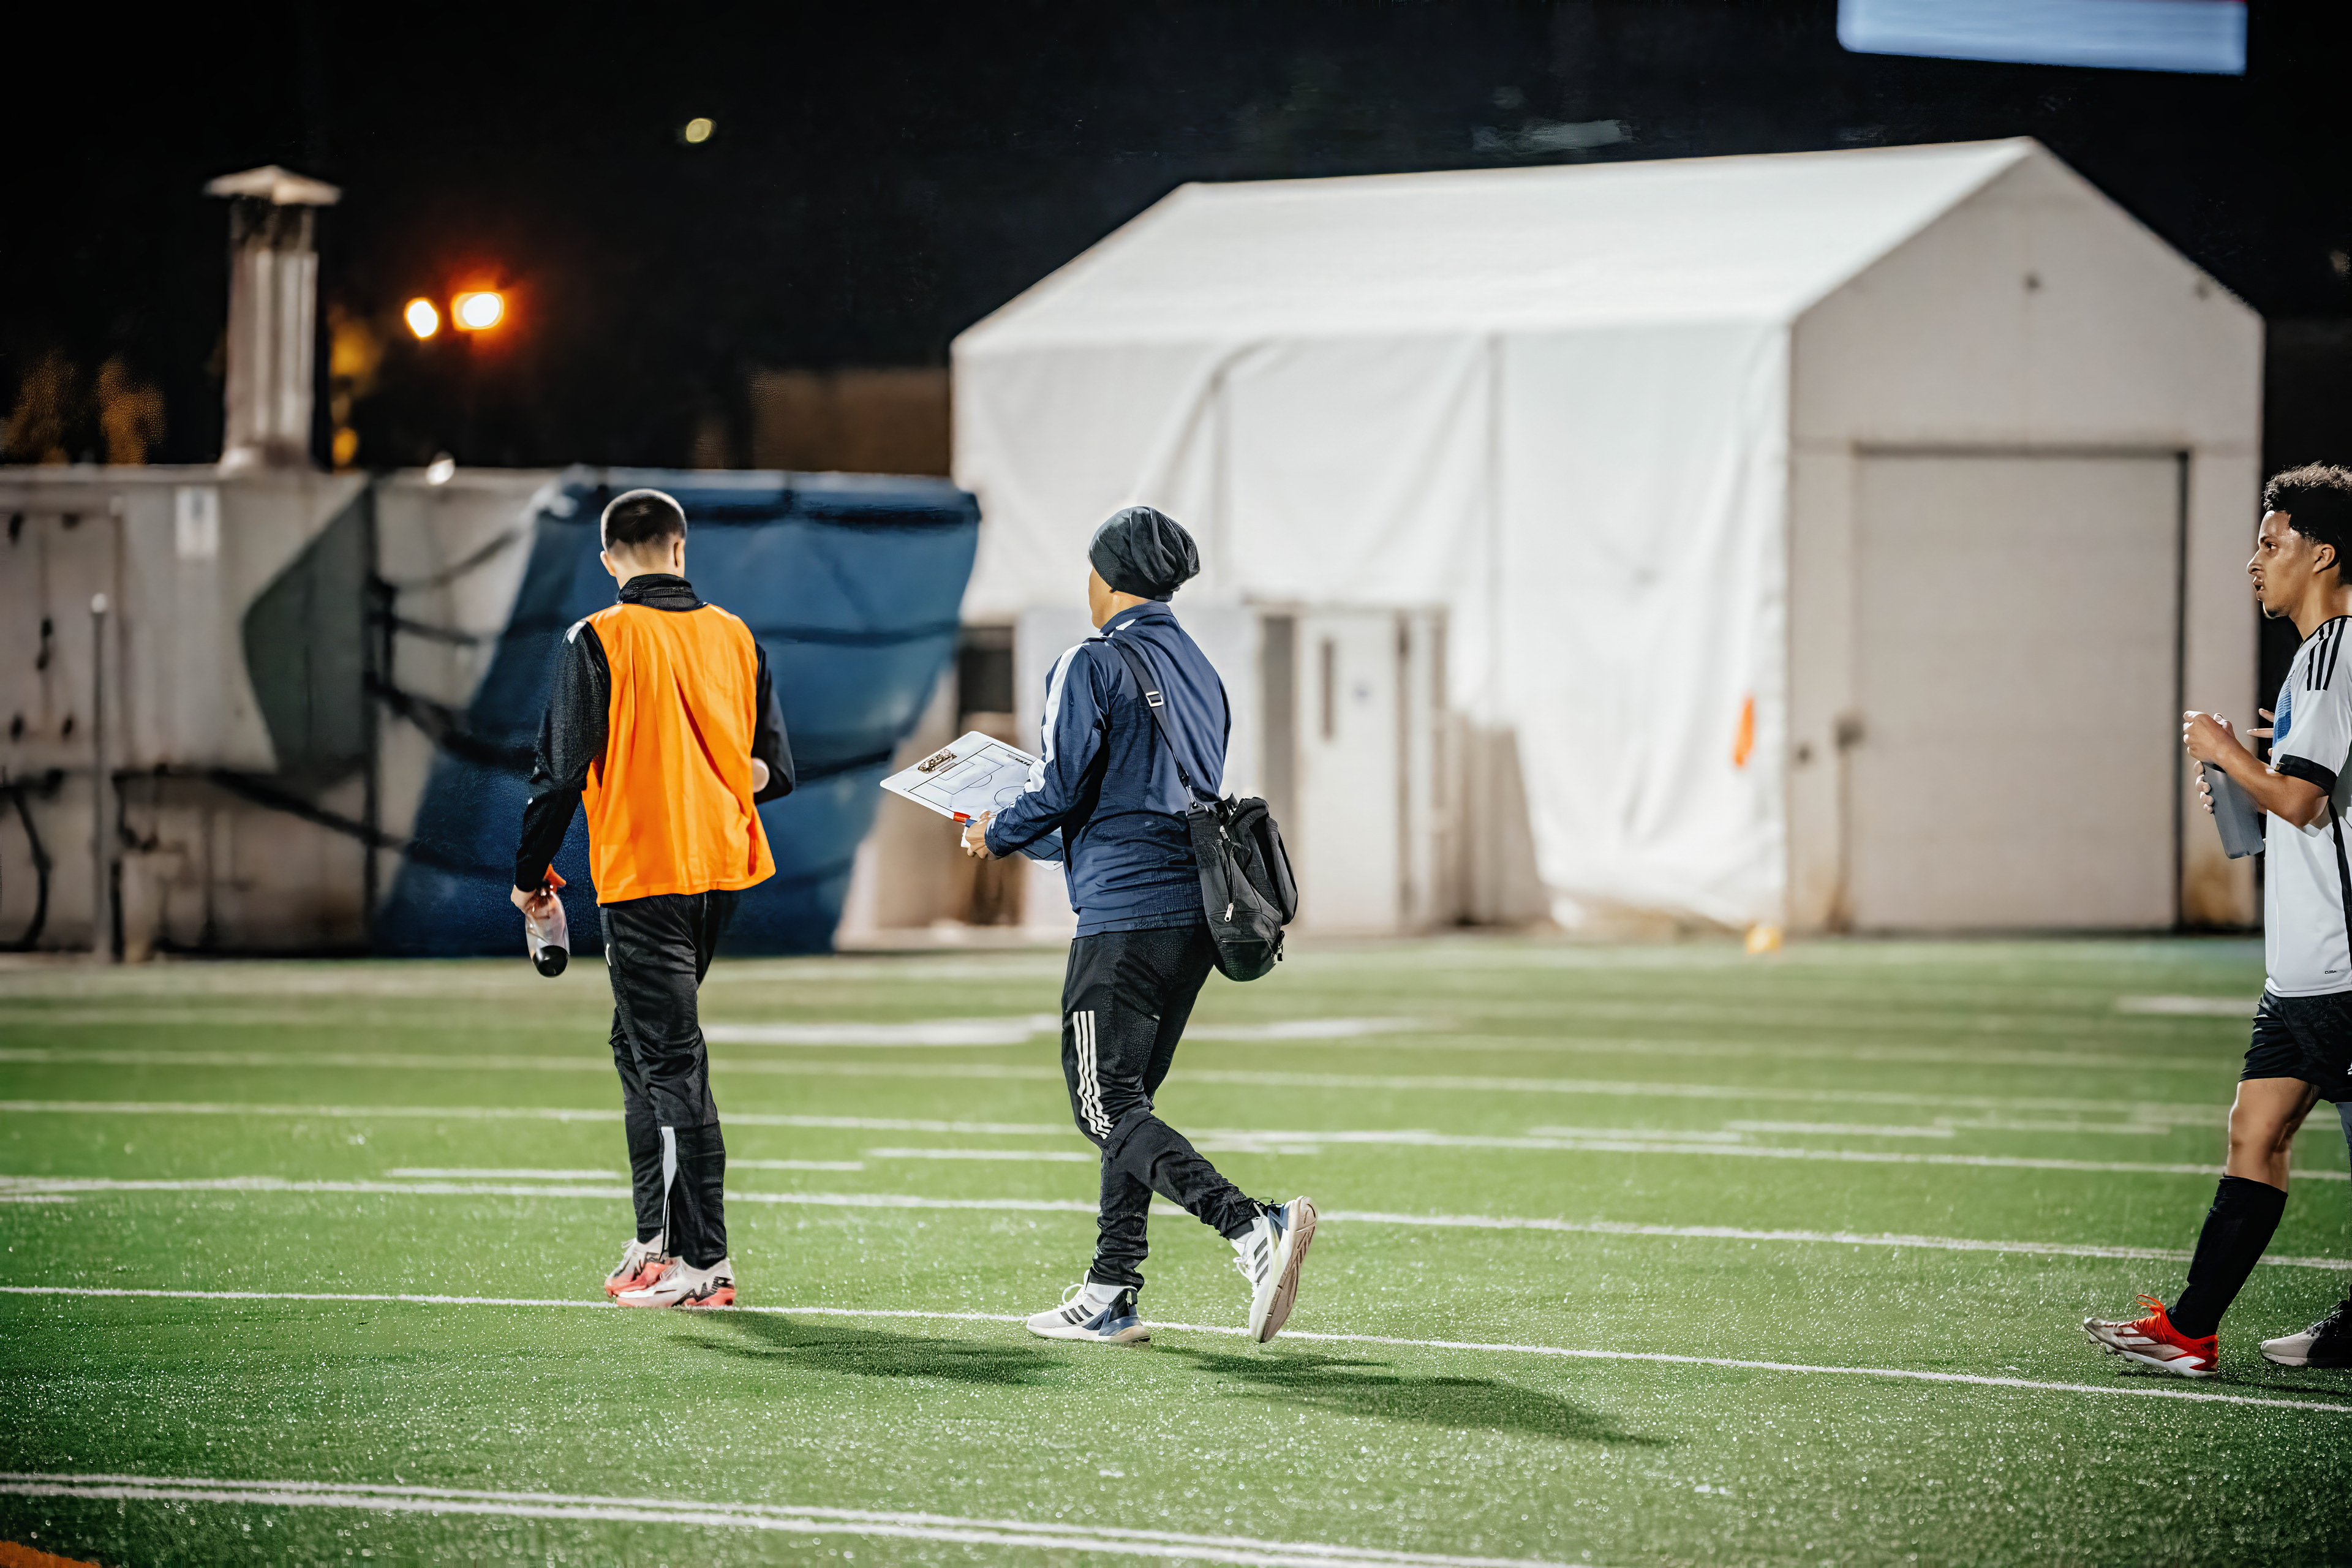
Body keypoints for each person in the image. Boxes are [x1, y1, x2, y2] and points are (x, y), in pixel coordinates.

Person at [962, 505, 1316, 1346]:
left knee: (1102, 1105)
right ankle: (1110, 1288)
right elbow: (1140, 793)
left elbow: (1060, 788)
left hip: (1122, 915)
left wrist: (994, 830)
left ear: (1106, 577)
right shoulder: (1200, 669)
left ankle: (1250, 1224)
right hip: (1194, 914)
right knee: (1129, 1104)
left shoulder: (1089, 661)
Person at [2084, 466, 2352, 1375]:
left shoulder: (2334, 652)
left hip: (2341, 968)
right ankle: (2191, 1331)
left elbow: (2305, 801)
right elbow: (2308, 802)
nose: (2254, 562)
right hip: (2304, 970)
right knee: (2254, 1130)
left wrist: (2230, 753)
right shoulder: (2319, 662)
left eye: (2272, 544)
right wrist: (2255, 772)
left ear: (2322, 554)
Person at [511, 488, 793, 1309]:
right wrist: (706, 773)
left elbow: (559, 771)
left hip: (647, 873)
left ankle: (703, 1261)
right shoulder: (735, 635)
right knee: (638, 1046)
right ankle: (657, 1239)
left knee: (669, 1061)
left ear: (609, 560)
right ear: (680, 547)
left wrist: (529, 875)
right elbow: (772, 772)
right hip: (721, 870)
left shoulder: (599, 636)